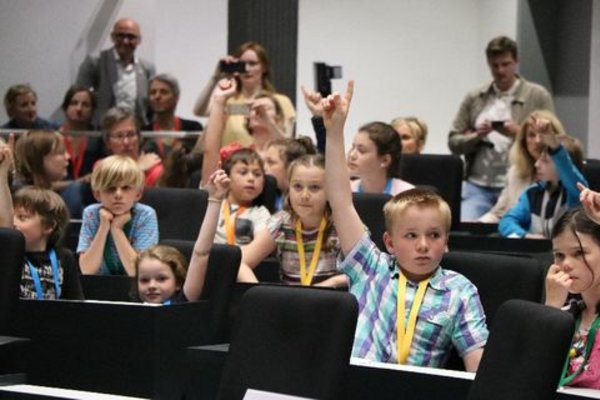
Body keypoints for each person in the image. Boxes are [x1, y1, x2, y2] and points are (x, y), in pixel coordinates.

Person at [323, 81, 488, 371]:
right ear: (389, 242)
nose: (423, 244)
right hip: (353, 387)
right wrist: (335, 130)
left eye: (434, 235)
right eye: (411, 235)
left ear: (446, 239)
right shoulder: (371, 268)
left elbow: (477, 365)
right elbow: (340, 200)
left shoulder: (459, 291)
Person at [448, 35, 555, 221]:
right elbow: (453, 141)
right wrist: (477, 136)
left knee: (514, 231)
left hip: (521, 181)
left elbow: (554, 140)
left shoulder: (537, 95)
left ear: (516, 61)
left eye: (506, 64)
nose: (500, 70)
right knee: (464, 228)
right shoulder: (475, 97)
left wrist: (518, 133)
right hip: (478, 185)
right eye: (494, 65)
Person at [239, 154, 346, 287]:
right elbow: (241, 262)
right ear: (288, 188)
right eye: (297, 186)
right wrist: (261, 295)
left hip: (331, 303)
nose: (304, 195)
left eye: (314, 187)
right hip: (291, 303)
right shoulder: (281, 223)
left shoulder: (343, 224)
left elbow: (369, 269)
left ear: (330, 191)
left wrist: (334, 282)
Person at [135, 169, 229, 304]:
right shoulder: (134, 306)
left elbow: (200, 254)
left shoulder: (182, 301)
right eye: (144, 280)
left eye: (161, 279)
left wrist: (215, 199)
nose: (152, 286)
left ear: (178, 283)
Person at [545, 187, 600, 389]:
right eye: (559, 255)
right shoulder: (565, 316)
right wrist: (551, 307)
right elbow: (532, 370)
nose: (566, 264)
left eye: (579, 253)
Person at [193, 41, 296, 146]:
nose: (247, 69)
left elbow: (288, 143)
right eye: (242, 65)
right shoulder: (227, 100)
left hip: (267, 160)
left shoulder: (280, 101)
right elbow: (199, 111)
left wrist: (268, 121)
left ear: (264, 67)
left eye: (252, 63)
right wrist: (215, 78)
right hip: (230, 160)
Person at [479, 109, 566, 223]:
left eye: (543, 135)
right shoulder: (515, 173)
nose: (538, 141)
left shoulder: (565, 173)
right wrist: (477, 225)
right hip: (519, 236)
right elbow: (499, 213)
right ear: (523, 142)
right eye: (531, 135)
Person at [77, 155, 158, 276]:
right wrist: (103, 227)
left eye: (125, 188)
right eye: (110, 188)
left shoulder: (145, 215)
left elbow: (138, 272)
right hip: (98, 288)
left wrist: (117, 229)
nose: (118, 194)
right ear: (97, 194)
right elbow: (87, 270)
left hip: (135, 289)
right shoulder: (91, 213)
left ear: (138, 194)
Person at [499, 134, 587, 239]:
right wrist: (526, 236)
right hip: (537, 252)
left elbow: (569, 172)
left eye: (544, 161)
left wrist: (556, 149)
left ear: (562, 166)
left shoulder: (577, 193)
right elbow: (507, 221)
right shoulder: (532, 193)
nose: (536, 164)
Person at [75, 17, 155, 125]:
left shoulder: (147, 68)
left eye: (131, 37)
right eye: (120, 35)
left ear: (139, 40)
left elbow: (152, 105)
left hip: (136, 133)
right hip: (102, 132)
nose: (125, 41)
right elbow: (78, 97)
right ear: (112, 37)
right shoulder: (95, 62)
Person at [11, 186, 83, 300]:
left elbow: (76, 303)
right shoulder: (9, 257)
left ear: (49, 226)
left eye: (22, 217)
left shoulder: (64, 257)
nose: (13, 223)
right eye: (12, 216)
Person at [13, 130, 87, 218]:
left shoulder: (64, 192)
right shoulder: (18, 195)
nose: (68, 156)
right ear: (38, 159)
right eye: (60, 152)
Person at [142, 73, 203, 159]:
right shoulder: (144, 132)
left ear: (176, 97)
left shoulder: (193, 128)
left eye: (163, 92)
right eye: (153, 92)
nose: (157, 96)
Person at [101, 106, 164, 186]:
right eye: (119, 136)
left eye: (131, 135)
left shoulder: (155, 170)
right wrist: (138, 169)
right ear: (107, 143)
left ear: (139, 138)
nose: (126, 142)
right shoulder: (102, 166)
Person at [347, 121, 414, 195]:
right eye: (353, 148)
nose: (352, 155)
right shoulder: (344, 192)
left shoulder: (407, 195)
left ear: (385, 160)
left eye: (362, 151)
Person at [59, 86, 106, 180]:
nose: (79, 109)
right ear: (65, 107)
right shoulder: (53, 137)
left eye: (85, 105)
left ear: (92, 110)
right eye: (74, 103)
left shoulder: (99, 138)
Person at [263, 136, 317, 210]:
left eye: (271, 162)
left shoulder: (305, 203)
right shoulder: (267, 194)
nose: (264, 168)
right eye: (264, 162)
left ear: (291, 166)